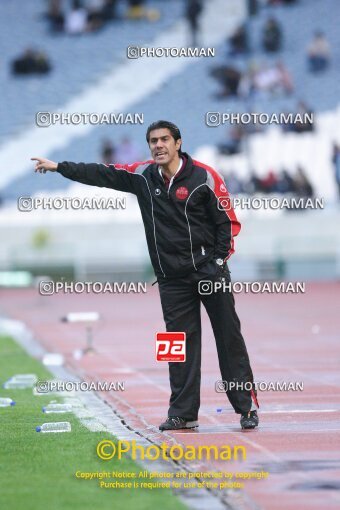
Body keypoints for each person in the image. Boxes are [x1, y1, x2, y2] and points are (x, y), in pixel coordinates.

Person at [31, 120, 259, 431]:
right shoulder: (142, 175)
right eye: (153, 141)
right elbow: (103, 174)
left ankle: (246, 407)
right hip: (172, 279)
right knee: (175, 344)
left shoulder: (204, 176)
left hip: (210, 272)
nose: (158, 145)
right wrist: (59, 167)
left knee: (229, 338)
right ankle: (183, 413)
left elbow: (227, 222)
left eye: (165, 139)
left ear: (178, 143)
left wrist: (218, 261)